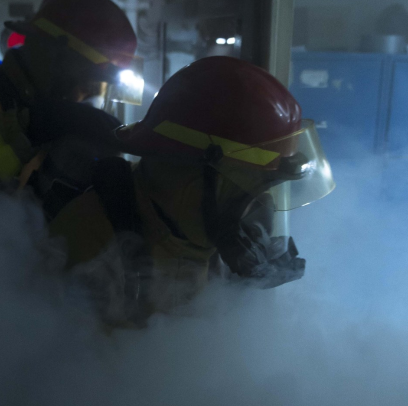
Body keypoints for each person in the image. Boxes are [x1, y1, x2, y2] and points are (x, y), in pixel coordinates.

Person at [49, 56, 335, 325]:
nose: (260, 218)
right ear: (196, 177)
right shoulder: (90, 244)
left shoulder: (195, 237)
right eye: (253, 190)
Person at [0, 0, 138, 214]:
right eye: (85, 83)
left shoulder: (36, 103)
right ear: (58, 53)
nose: (83, 99)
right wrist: (28, 126)